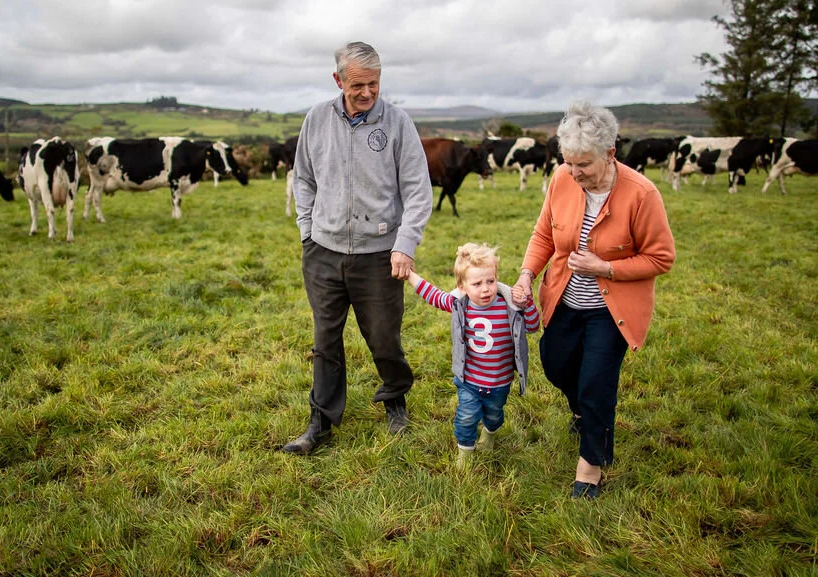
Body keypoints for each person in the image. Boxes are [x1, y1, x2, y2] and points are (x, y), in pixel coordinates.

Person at [512, 100, 675, 499]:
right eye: (568, 162)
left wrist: (606, 268)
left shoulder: (641, 194)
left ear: (610, 154)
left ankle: (591, 465)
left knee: (596, 382)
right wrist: (527, 274)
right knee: (555, 363)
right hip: (565, 298)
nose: (574, 172)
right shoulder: (561, 180)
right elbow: (544, 235)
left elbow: (661, 257)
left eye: (583, 164)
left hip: (611, 308)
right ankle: (586, 414)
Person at [281, 41, 433, 455]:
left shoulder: (398, 123)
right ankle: (320, 422)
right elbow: (305, 178)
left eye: (374, 84)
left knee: (384, 336)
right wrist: (307, 231)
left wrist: (404, 244)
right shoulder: (316, 120)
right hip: (323, 251)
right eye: (357, 85)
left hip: (380, 254)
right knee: (325, 338)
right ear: (338, 80)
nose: (366, 93)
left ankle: (395, 397)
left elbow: (418, 190)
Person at [407, 243, 540, 468]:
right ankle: (465, 454)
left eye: (490, 281)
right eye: (477, 284)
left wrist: (525, 303)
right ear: (462, 286)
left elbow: (534, 325)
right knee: (466, 417)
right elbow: (433, 296)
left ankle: (489, 435)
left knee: (494, 416)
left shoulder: (508, 306)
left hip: (499, 381)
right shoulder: (460, 305)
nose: (485, 289)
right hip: (469, 380)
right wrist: (410, 275)